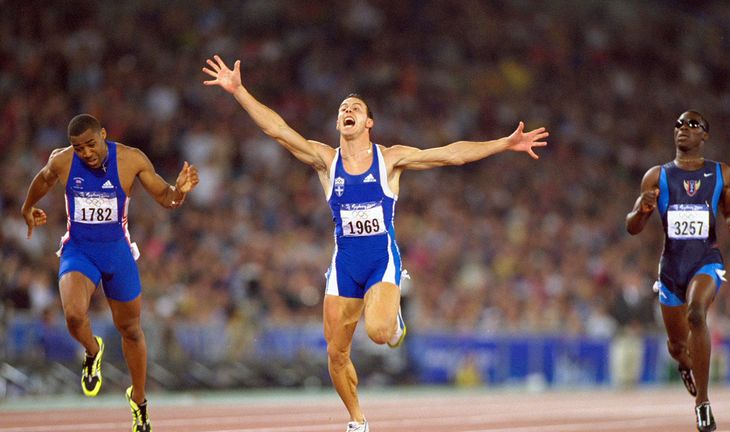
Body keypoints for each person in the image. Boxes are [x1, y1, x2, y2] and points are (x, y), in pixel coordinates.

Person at [202, 55, 548, 432]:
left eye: (356, 108)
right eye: (342, 108)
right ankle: (357, 420)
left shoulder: (389, 160)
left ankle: (394, 320)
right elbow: (279, 131)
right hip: (345, 265)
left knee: (379, 333)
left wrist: (503, 143)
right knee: (335, 354)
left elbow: (449, 155)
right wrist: (238, 91)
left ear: (368, 123)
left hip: (380, 260)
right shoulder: (325, 161)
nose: (347, 110)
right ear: (339, 122)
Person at [21, 114, 199, 432]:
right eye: (78, 148)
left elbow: (165, 197)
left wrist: (180, 191)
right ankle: (93, 349)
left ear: (103, 135)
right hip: (79, 250)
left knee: (131, 331)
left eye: (91, 144)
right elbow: (45, 178)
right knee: (74, 316)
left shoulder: (130, 159)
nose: (86, 153)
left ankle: (139, 401)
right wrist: (27, 206)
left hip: (117, 253)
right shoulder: (62, 161)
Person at [625, 111, 730, 432]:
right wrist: (642, 208)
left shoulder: (721, 173)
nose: (683, 128)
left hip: (706, 260)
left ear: (704, 135)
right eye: (679, 124)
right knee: (678, 346)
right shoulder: (657, 176)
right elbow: (633, 227)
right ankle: (684, 363)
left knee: (696, 314)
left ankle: (703, 404)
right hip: (671, 269)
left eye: (692, 124)